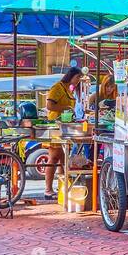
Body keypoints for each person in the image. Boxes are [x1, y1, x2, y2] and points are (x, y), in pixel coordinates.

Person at [43, 66, 82, 197]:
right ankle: (48, 190)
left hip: (65, 127)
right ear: (71, 76)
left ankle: (64, 188)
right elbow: (49, 105)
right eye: (78, 77)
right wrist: (65, 107)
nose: (78, 80)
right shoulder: (58, 88)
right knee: (54, 157)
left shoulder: (68, 89)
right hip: (55, 126)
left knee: (63, 158)